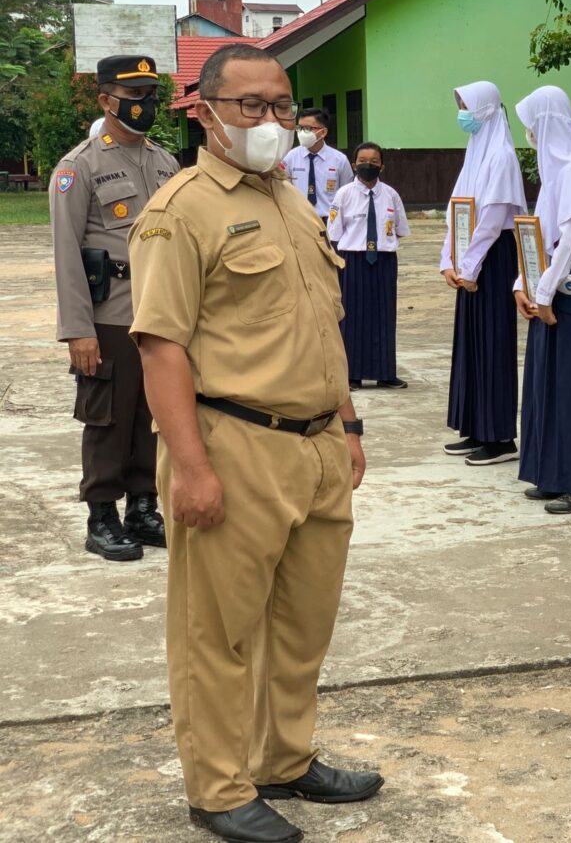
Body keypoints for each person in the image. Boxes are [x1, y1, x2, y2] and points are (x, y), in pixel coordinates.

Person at [127, 44, 380, 843]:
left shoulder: (293, 200)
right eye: (251, 106)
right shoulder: (181, 210)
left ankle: (286, 757)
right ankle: (218, 786)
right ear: (205, 112)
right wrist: (191, 468)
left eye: (280, 104)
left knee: (303, 623)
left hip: (313, 448)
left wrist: (345, 423)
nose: (272, 120)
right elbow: (160, 348)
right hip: (232, 443)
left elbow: (321, 322)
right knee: (220, 631)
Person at [50, 54, 178, 562]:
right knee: (108, 417)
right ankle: (101, 514)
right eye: (134, 98)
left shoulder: (165, 162)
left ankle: (144, 508)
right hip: (109, 315)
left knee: (156, 414)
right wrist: (78, 330)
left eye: (150, 96)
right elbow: (66, 255)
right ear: (106, 100)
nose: (145, 106)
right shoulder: (79, 166)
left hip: (161, 312)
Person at [512, 86, 571, 514]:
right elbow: (537, 238)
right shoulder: (552, 171)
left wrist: (542, 290)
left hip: (570, 298)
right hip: (548, 294)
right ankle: (550, 473)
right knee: (545, 387)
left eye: (531, 121)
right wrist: (520, 285)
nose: (527, 131)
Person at [440, 81, 527, 466]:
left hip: (491, 259)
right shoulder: (476, 152)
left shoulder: (502, 156)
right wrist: (448, 260)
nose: (462, 114)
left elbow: (492, 220)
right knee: (471, 344)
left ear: (487, 110)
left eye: (466, 106)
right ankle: (475, 427)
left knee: (492, 344)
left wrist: (470, 266)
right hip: (471, 258)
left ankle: (499, 437)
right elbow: (456, 211)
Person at [328, 142, 411, 390]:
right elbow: (334, 233)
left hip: (384, 261)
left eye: (374, 162)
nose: (368, 165)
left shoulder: (391, 195)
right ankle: (352, 373)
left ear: (382, 166)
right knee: (352, 317)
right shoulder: (343, 195)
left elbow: (400, 229)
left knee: (384, 316)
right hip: (352, 260)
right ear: (354, 165)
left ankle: (385, 372)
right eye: (363, 161)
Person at [282, 107, 353, 222]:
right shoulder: (290, 158)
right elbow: (284, 191)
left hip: (330, 221)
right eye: (299, 128)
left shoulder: (340, 160)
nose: (302, 133)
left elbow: (348, 195)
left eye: (308, 129)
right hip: (300, 220)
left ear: (323, 132)